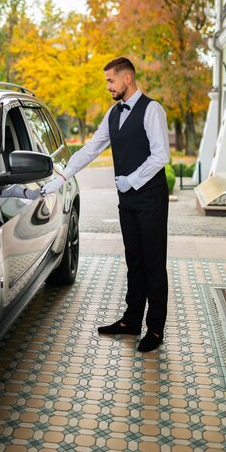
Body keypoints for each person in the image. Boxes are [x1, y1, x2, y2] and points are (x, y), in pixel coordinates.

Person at [42, 57, 170, 353]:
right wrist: (61, 178)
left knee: (153, 263)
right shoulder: (113, 114)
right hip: (127, 200)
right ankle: (131, 320)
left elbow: (160, 155)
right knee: (133, 261)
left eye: (111, 81)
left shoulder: (152, 110)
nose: (108, 86)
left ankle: (155, 329)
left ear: (127, 79)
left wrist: (132, 180)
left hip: (150, 197)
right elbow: (89, 150)